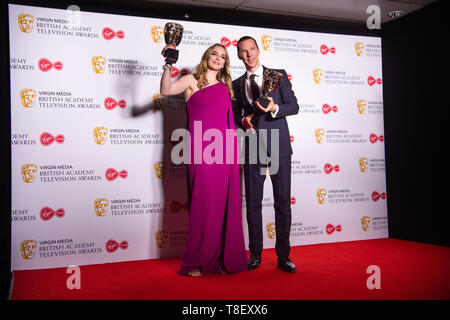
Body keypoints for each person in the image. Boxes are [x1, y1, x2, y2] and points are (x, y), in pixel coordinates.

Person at [160, 43, 248, 277]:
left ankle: (218, 259)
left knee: (221, 205)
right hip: (200, 150)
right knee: (202, 203)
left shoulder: (226, 87)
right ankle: (196, 261)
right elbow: (166, 91)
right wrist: (168, 64)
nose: (218, 59)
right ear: (206, 56)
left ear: (225, 62)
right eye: (214, 54)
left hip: (224, 153)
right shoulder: (192, 81)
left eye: (223, 56)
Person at [232, 36, 299, 273]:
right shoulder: (237, 83)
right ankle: (256, 254)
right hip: (253, 146)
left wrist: (274, 108)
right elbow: (235, 115)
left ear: (258, 50)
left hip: (279, 146)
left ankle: (283, 256)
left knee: (282, 202)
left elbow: (294, 106)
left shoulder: (278, 74)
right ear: (239, 55)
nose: (249, 55)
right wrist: (243, 119)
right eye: (243, 51)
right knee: (253, 203)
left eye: (252, 49)